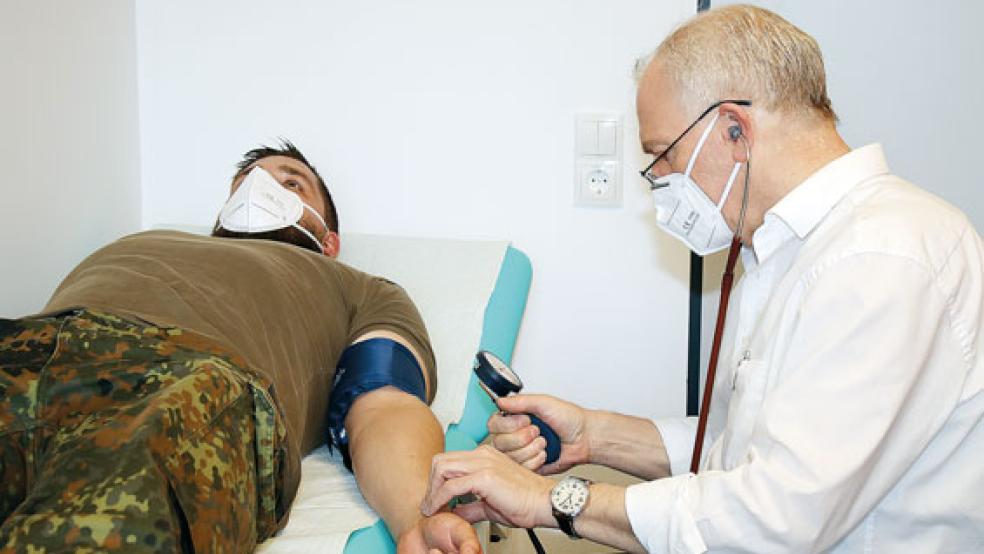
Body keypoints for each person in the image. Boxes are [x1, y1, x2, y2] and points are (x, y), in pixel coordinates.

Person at [421, 5, 983, 553]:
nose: (658, 182)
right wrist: (594, 435)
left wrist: (552, 500)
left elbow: (775, 521)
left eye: (662, 155)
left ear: (734, 130)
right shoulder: (789, 253)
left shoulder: (882, 257)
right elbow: (735, 451)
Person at [0, 141, 480, 553]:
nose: (260, 188)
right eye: (246, 181)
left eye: (291, 183)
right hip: (29, 348)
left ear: (330, 240)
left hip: (187, 382)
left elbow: (382, 404)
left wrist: (414, 517)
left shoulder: (360, 288)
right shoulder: (147, 239)